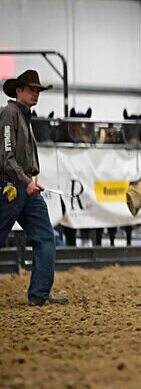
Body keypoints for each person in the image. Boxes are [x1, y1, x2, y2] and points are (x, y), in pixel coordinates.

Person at [0, 70, 67, 306]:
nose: (36, 94)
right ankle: (39, 294)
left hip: (23, 187)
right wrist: (26, 182)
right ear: (18, 91)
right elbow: (6, 157)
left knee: (46, 237)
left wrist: (29, 181)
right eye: (31, 89)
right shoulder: (10, 114)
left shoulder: (22, 116)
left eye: (38, 90)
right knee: (43, 238)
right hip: (10, 187)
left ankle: (40, 294)